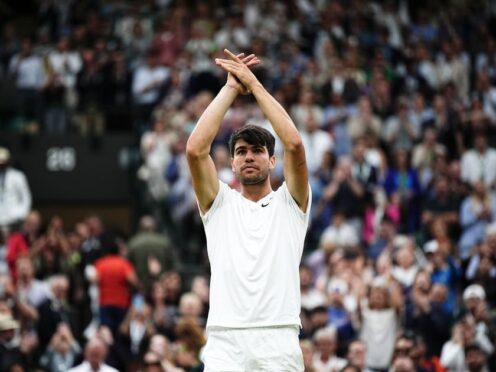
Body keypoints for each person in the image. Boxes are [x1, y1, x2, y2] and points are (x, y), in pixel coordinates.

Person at [186, 49, 311, 371]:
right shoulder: (218, 203)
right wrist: (230, 88)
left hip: (278, 336)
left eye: (258, 151)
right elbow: (196, 149)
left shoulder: (291, 201)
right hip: (225, 340)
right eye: (241, 152)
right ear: (232, 162)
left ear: (272, 160)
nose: (249, 156)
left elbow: (295, 144)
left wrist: (254, 86)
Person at [0, 147, 32, 229]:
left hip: (14, 218)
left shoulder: (18, 176)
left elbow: (26, 198)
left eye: (3, 162)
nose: (1, 165)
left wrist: (22, 214)